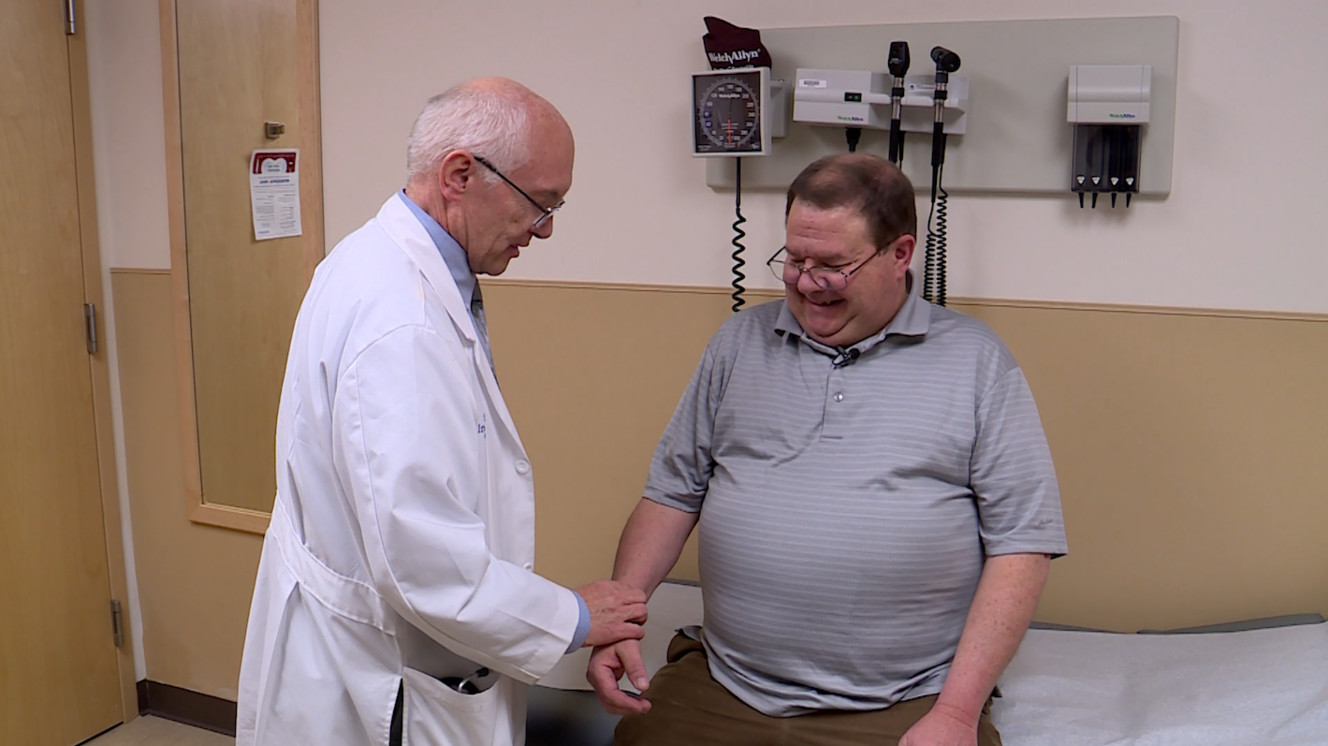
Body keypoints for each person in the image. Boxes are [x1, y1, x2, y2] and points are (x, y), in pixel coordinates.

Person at [587, 152, 1067, 746]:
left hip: (905, 699)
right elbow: (671, 495)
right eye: (794, 259)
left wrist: (956, 712)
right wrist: (618, 621)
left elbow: (1022, 545)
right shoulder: (738, 343)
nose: (807, 282)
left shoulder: (977, 362)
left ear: (900, 254)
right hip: (726, 684)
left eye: (833, 266)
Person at [236, 77, 648, 746]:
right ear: (460, 175)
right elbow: (422, 564)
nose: (546, 228)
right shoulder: (401, 321)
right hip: (385, 680)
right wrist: (573, 616)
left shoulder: (372, 260)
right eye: (540, 203)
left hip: (373, 646)